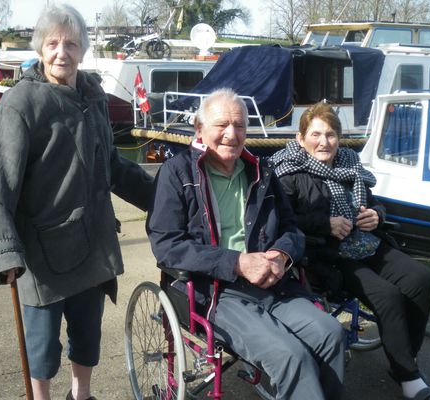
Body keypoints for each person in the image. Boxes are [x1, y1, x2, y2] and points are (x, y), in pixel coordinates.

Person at [0, 4, 153, 400]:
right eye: (52, 43)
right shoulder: (20, 105)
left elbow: (112, 165)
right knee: (42, 350)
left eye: (71, 43)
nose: (61, 52)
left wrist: (162, 199)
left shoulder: (94, 97)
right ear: (40, 48)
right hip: (41, 256)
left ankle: (81, 395)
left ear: (83, 49)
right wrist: (4, 253)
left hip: (93, 246)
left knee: (87, 339)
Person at [147, 89, 346, 400]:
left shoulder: (261, 171)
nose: (231, 134)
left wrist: (281, 255)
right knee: (289, 355)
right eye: (221, 124)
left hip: (273, 283)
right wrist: (237, 262)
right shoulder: (177, 172)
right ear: (200, 129)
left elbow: (291, 229)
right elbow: (167, 244)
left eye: (239, 125)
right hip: (214, 291)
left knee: (331, 334)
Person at [270, 102, 430, 400]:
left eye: (330, 134)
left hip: (365, 242)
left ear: (339, 138)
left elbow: (372, 201)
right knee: (388, 295)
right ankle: (410, 381)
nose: (323, 142)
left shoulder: (350, 164)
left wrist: (376, 214)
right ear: (301, 138)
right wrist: (324, 224)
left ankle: (406, 360)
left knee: (421, 278)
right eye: (315, 134)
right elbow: (280, 219)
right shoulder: (287, 172)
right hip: (325, 255)